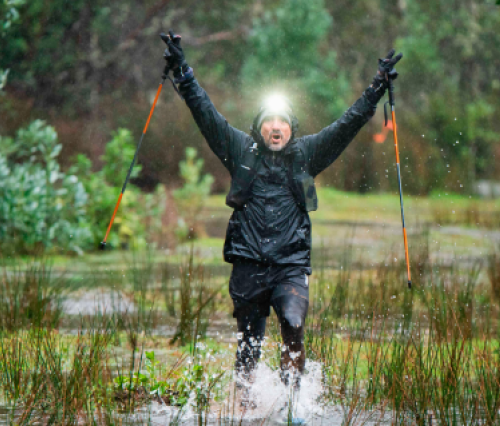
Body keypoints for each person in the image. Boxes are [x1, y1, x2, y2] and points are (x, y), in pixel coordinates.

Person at [160, 31, 401, 415]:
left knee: (292, 321)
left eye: (283, 121)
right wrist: (183, 72)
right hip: (247, 265)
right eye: (269, 120)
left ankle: (293, 406)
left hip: (290, 265)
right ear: (259, 127)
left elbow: (349, 123)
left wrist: (376, 87)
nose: (276, 126)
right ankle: (245, 407)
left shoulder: (308, 153)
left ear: (291, 128)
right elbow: (205, 112)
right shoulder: (239, 149)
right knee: (249, 346)